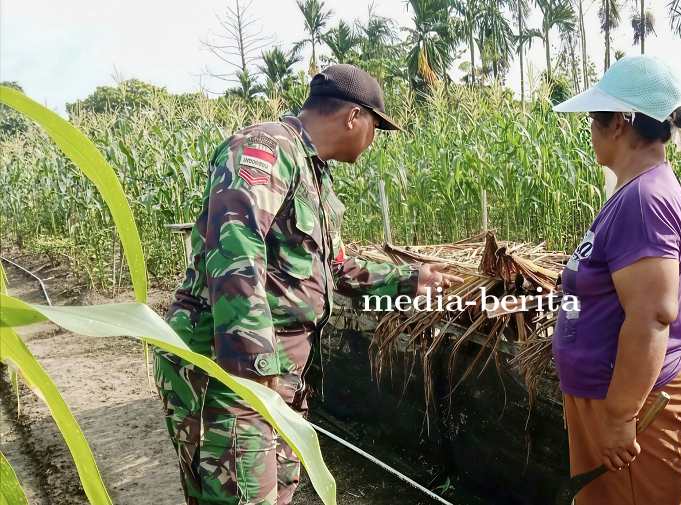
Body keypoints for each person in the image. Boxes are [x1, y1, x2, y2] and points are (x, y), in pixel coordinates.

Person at [153, 64, 462, 505]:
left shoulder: (312, 173)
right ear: (354, 117)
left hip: (274, 380)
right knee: (244, 496)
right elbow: (235, 251)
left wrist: (410, 280)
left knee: (277, 491)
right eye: (376, 125)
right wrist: (256, 377)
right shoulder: (266, 148)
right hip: (229, 376)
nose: (374, 139)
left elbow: (333, 269)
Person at [550, 55, 681, 505]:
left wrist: (618, 416)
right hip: (614, 399)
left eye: (595, 119)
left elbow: (652, 315)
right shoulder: (635, 193)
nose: (590, 131)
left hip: (635, 405)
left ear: (618, 124)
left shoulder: (643, 201)